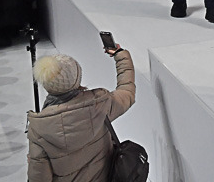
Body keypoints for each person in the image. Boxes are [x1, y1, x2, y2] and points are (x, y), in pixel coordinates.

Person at [27, 43, 135, 181]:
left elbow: (39, 177)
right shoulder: (100, 104)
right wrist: (121, 55)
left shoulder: (38, 129)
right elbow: (127, 90)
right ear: (76, 78)